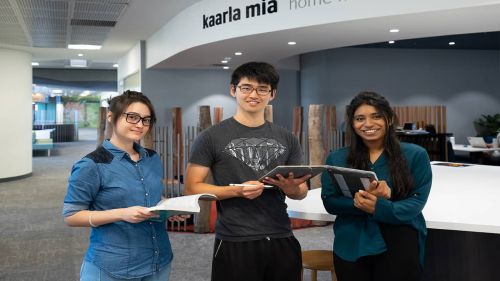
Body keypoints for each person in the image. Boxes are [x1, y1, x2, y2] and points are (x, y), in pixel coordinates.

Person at [185, 61, 310, 281]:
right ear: (233, 90)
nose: (254, 94)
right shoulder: (211, 137)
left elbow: (302, 191)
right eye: (246, 88)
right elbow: (192, 188)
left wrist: (293, 189)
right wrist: (237, 191)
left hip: (281, 235)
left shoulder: (287, 138)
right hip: (235, 238)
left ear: (272, 94)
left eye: (263, 89)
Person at [62, 90, 174, 281]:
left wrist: (168, 207)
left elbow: (149, 198)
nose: (140, 125)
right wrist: (122, 213)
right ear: (111, 116)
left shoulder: (152, 158)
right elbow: (71, 216)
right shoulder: (92, 164)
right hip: (113, 266)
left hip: (158, 261)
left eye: (146, 120)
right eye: (132, 117)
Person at [321, 91, 432, 281]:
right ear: (353, 124)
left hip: (399, 239)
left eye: (376, 116)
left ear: (388, 119)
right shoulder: (337, 157)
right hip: (352, 241)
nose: (368, 124)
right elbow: (330, 201)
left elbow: (417, 202)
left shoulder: (415, 155)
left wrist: (380, 206)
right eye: (360, 118)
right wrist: (362, 203)